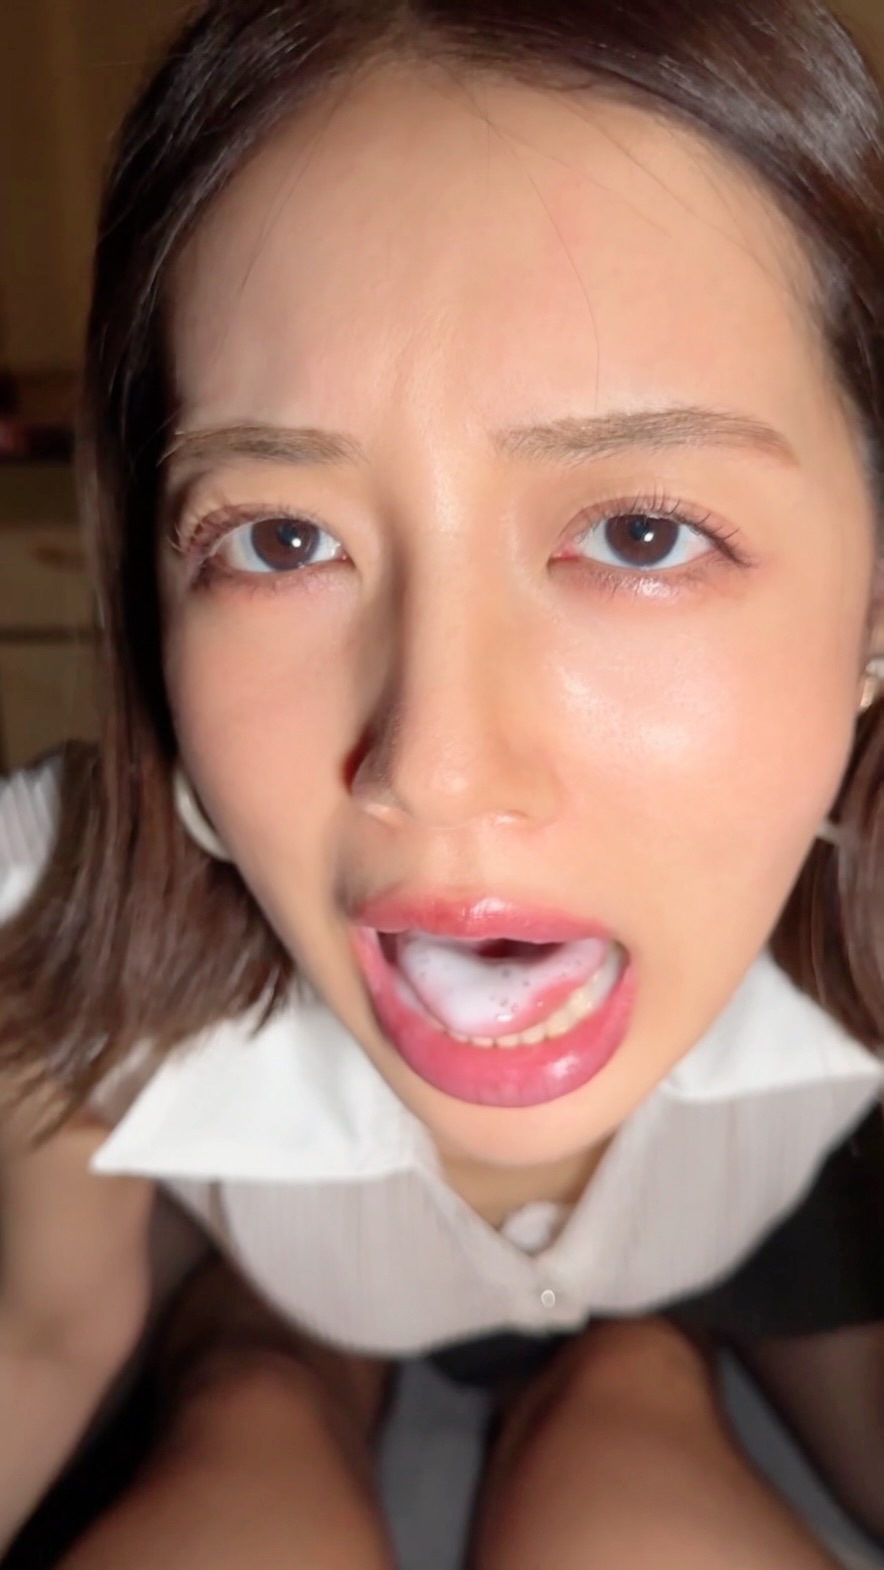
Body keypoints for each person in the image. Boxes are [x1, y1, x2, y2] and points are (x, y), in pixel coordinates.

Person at [1, 0, 883, 1564]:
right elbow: (44, 1332)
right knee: (251, 1414)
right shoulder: (54, 913)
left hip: (724, 1275)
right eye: (281, 539)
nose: (437, 766)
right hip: (277, 1296)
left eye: (641, 532)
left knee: (630, 1427)